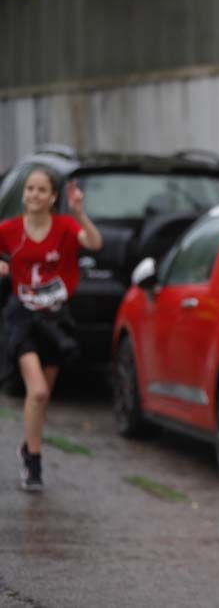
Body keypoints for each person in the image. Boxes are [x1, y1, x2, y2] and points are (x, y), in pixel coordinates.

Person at [0, 165, 102, 491]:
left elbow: (95, 243)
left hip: (56, 320)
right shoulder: (11, 229)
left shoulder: (66, 227)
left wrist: (80, 213)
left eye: (41, 190)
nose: (33, 195)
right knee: (38, 391)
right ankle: (34, 462)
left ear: (52, 196)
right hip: (23, 317)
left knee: (42, 400)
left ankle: (27, 446)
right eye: (29, 189)